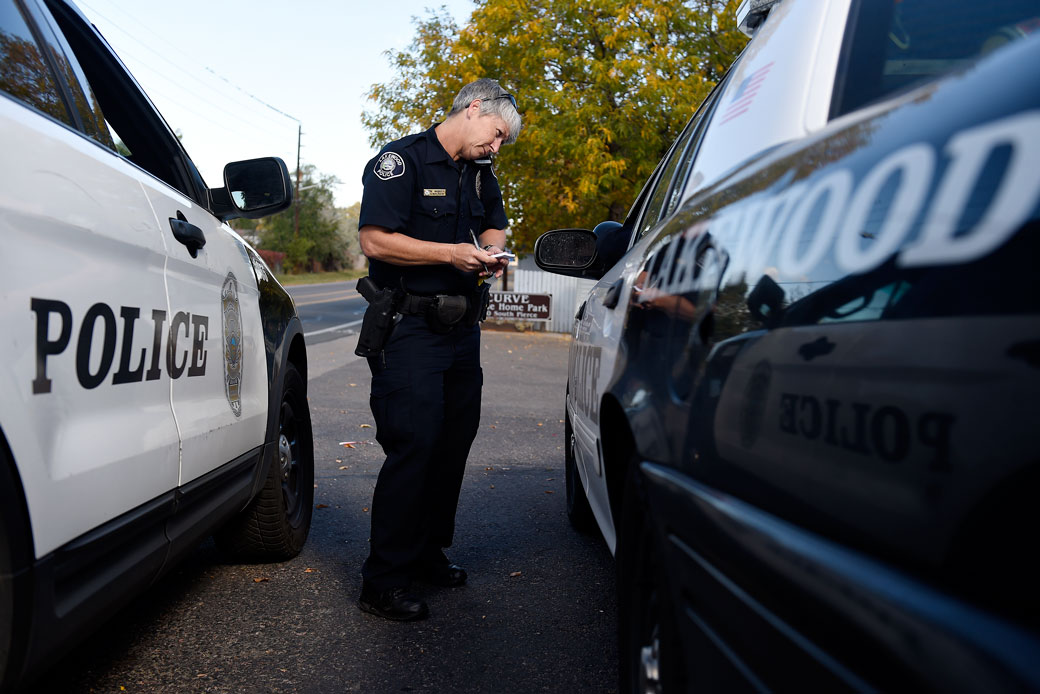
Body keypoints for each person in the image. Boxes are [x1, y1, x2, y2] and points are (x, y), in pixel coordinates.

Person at [355, 78, 521, 621]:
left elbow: (494, 224)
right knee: (415, 445)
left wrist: (492, 251)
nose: (495, 148)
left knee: (452, 444)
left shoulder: (479, 174)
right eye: (495, 135)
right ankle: (383, 580)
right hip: (412, 330)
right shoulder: (399, 163)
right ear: (474, 109)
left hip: (461, 331)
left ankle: (427, 552)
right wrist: (451, 254)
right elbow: (375, 240)